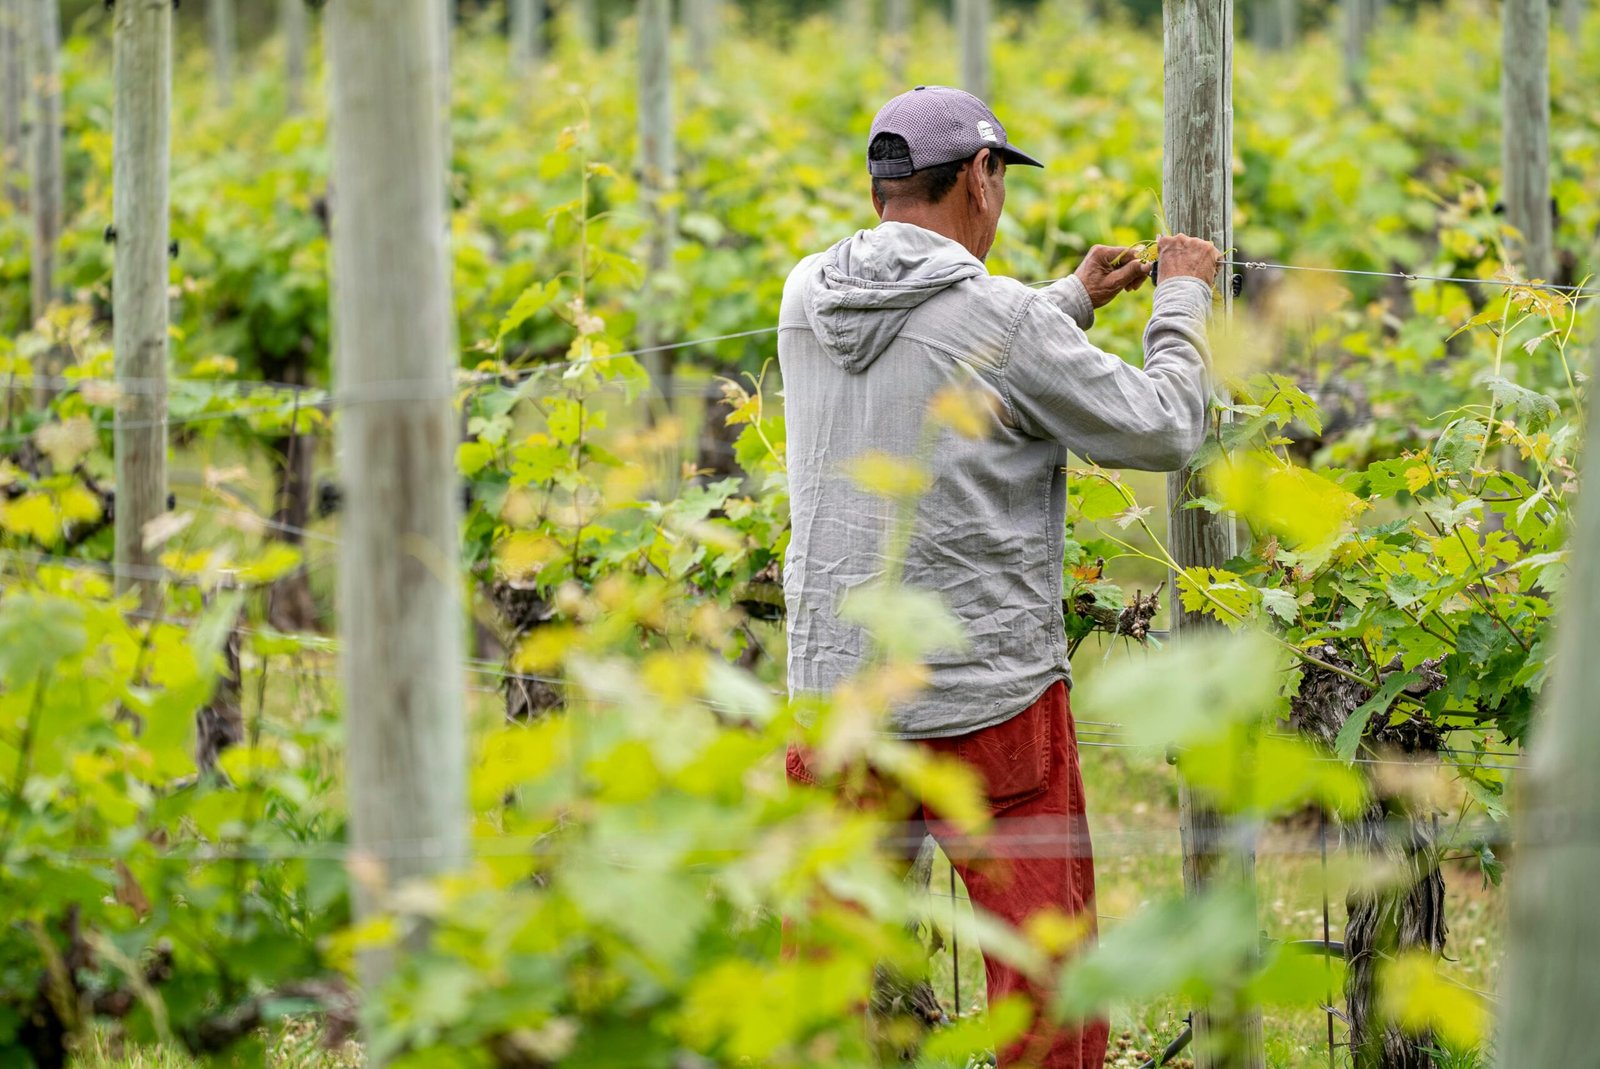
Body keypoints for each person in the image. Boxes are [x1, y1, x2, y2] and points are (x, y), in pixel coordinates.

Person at [777, 85, 1221, 1068]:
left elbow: (943, 354)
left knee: (820, 976)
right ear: (980, 175)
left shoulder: (807, 293)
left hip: (834, 691)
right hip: (985, 698)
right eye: (1000, 177)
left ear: (881, 185)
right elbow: (1163, 426)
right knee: (1043, 980)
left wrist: (1068, 303)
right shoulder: (1006, 322)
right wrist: (1180, 300)